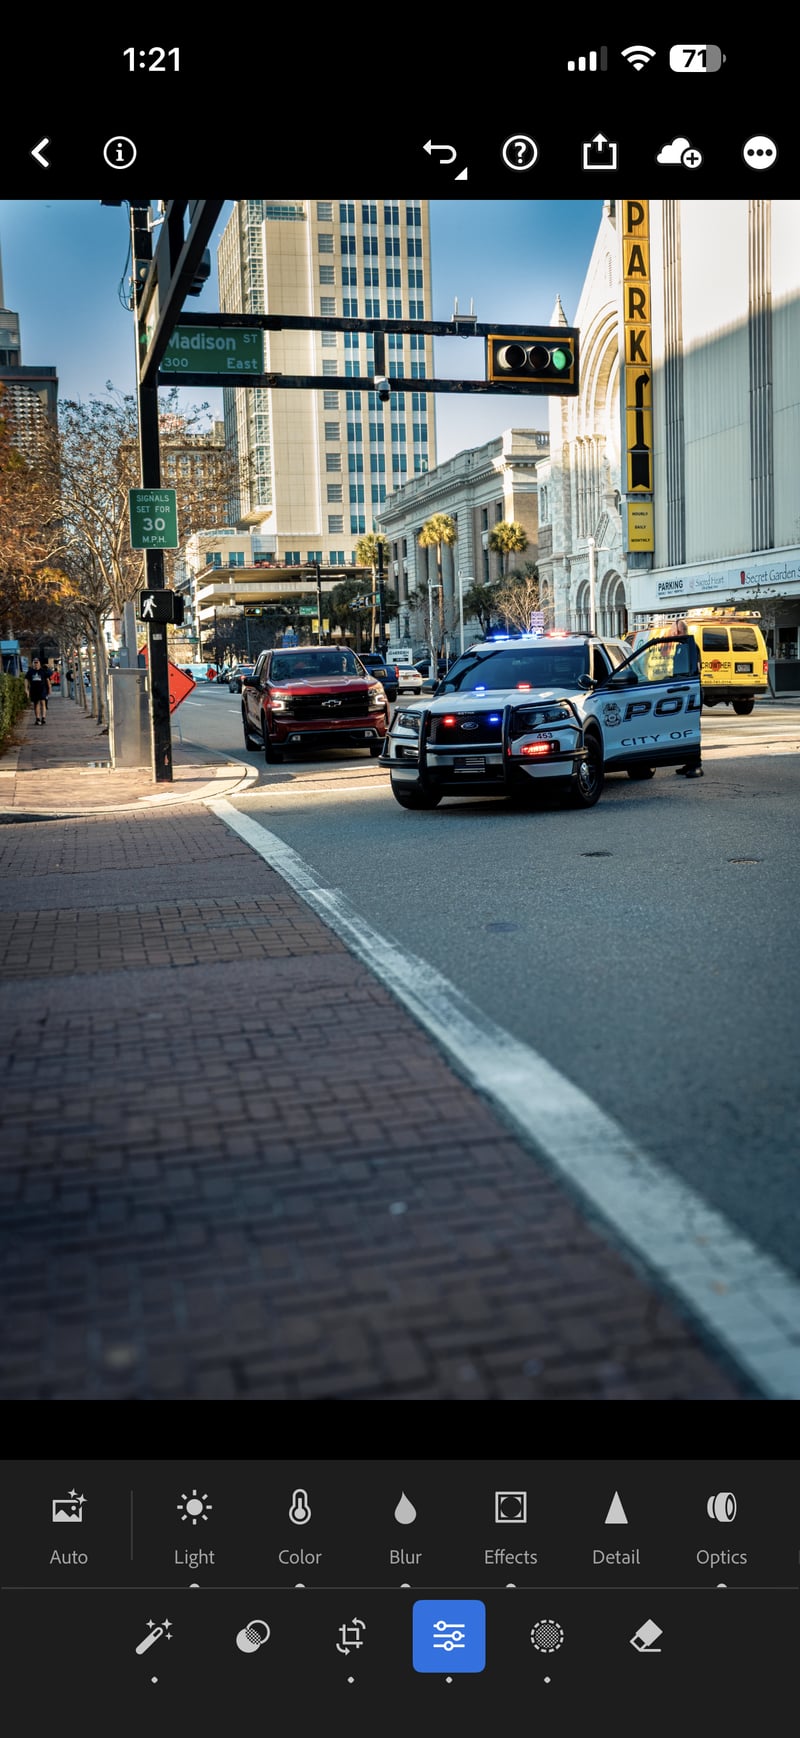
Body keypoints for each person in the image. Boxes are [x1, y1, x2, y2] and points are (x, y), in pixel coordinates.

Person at [672, 620, 703, 776]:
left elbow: (693, 671)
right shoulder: (680, 646)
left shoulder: (690, 647)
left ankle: (696, 765)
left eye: (674, 631)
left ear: (679, 631)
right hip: (681, 692)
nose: (672, 633)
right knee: (684, 729)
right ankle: (688, 762)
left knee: (692, 728)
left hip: (690, 693)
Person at [25, 657, 50, 725]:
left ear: (39, 663)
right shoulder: (30, 672)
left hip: (42, 690)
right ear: (33, 663)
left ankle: (43, 718)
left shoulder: (43, 671)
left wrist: (49, 689)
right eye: (34, 663)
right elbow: (26, 679)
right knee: (36, 704)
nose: (36, 664)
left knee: (43, 703)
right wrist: (26, 689)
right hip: (34, 690)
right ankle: (38, 718)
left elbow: (47, 680)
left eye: (37, 662)